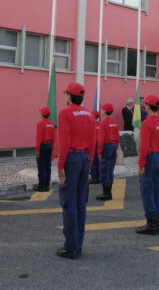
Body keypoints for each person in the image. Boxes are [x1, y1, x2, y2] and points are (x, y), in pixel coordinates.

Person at [56, 82, 96, 260]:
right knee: (81, 202)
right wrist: (90, 160)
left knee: (69, 202)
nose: (65, 96)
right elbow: (93, 140)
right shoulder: (89, 114)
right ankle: (78, 243)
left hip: (71, 159)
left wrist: (60, 165)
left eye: (66, 94)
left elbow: (64, 140)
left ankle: (71, 246)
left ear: (70, 96)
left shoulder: (65, 113)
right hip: (85, 158)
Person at [136, 95, 159, 235]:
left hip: (150, 158)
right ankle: (157, 220)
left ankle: (151, 223)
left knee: (147, 190)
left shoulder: (146, 123)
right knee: (158, 190)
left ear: (148, 106)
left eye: (145, 104)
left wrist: (141, 163)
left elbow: (144, 145)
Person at [96, 104, 119, 201]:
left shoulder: (103, 122)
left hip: (106, 147)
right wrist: (116, 146)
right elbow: (117, 136)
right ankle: (109, 191)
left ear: (105, 111)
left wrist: (99, 151)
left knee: (104, 169)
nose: (101, 110)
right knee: (110, 169)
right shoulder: (114, 122)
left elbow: (101, 139)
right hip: (113, 146)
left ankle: (106, 193)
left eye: (102, 109)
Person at [35, 107, 57, 192]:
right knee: (48, 166)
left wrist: (37, 150)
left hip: (42, 146)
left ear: (42, 114)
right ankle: (47, 185)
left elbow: (39, 138)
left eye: (40, 113)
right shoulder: (52, 124)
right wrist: (53, 147)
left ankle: (41, 186)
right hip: (49, 146)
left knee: (41, 166)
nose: (40, 114)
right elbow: (54, 137)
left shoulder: (40, 124)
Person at [89, 111, 101, 185]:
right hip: (100, 144)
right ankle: (99, 177)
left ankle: (94, 178)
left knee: (93, 161)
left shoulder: (90, 124)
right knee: (99, 161)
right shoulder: (101, 124)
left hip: (93, 144)